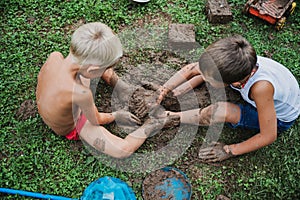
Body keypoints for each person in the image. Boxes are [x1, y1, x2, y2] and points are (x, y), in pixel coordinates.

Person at [155, 35, 300, 162]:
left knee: (219, 111)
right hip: (262, 91)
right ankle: (176, 93)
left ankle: (172, 117)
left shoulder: (261, 89)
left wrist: (230, 150)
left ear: (234, 83)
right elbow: (192, 69)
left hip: (279, 119)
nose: (203, 77)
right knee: (205, 72)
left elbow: (269, 135)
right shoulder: (238, 62)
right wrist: (164, 89)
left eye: (209, 80)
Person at [36, 22, 165, 159]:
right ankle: (151, 123)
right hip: (73, 124)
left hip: (55, 100)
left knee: (89, 68)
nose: (106, 71)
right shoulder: (81, 93)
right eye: (105, 68)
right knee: (122, 150)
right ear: (92, 70)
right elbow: (96, 120)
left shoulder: (54, 57)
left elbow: (86, 73)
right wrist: (116, 115)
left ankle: (122, 88)